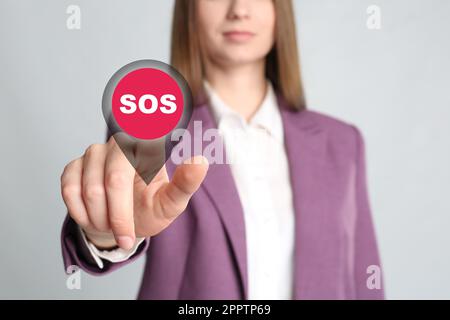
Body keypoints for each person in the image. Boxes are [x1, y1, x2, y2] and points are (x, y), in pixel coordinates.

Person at [60, 0, 384, 299]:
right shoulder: (149, 128)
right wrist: (104, 232)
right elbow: (117, 209)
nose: (239, 9)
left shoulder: (342, 142)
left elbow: (365, 278)